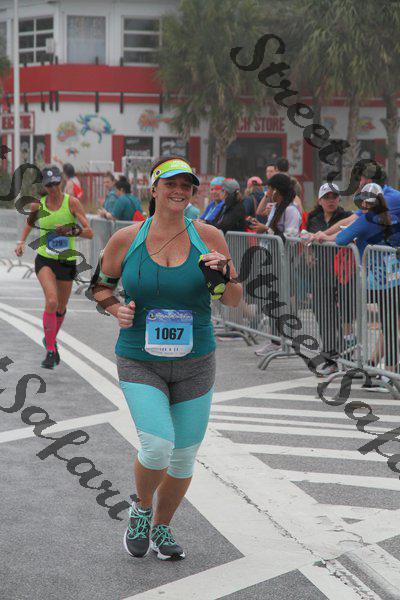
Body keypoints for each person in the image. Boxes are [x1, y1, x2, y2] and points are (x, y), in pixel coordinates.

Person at [91, 156, 242, 561]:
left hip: (197, 360)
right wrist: (115, 309)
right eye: (170, 184)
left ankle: (162, 528)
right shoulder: (126, 238)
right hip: (139, 358)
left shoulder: (208, 235)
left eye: (186, 185)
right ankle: (141, 510)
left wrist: (222, 276)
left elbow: (233, 299)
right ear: (154, 189)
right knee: (157, 446)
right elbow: (100, 287)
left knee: (183, 457)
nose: (179, 191)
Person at [15, 166, 93, 369]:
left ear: (61, 182)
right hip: (45, 259)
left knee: (61, 307)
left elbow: (89, 232)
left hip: (66, 261)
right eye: (49, 185)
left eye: (56, 183)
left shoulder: (72, 203)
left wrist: (71, 230)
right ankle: (50, 350)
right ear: (44, 186)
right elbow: (29, 223)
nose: (53, 188)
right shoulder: (38, 205)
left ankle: (50, 339)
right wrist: (21, 242)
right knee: (51, 301)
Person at [324, 183, 400, 386]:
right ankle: (388, 371)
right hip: (394, 278)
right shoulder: (393, 218)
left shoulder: (366, 220)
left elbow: (342, 239)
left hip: (375, 281)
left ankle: (376, 368)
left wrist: (325, 236)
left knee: (371, 321)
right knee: (390, 328)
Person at [302, 183, 354, 376]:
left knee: (347, 317)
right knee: (324, 316)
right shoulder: (313, 218)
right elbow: (307, 239)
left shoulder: (346, 216)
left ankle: (348, 357)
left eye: (334, 197)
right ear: (320, 200)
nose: (331, 201)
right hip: (321, 273)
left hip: (344, 274)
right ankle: (331, 359)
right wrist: (308, 253)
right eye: (327, 197)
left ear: (339, 199)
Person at [250, 174, 301, 357]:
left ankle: (282, 340)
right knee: (271, 300)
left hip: (282, 261)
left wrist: (266, 229)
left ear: (277, 190)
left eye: (270, 189)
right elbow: (270, 228)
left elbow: (291, 237)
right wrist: (264, 230)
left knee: (280, 300)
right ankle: (275, 340)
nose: (268, 192)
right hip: (269, 258)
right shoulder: (276, 208)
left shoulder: (291, 210)